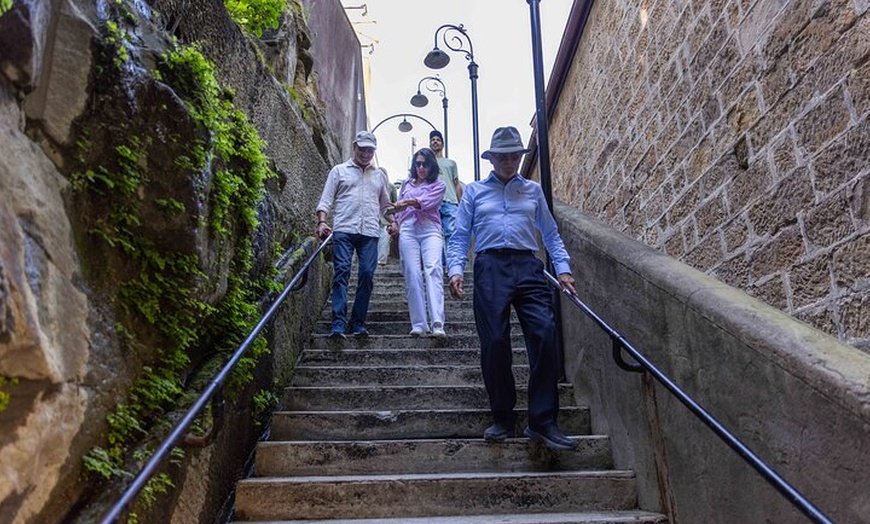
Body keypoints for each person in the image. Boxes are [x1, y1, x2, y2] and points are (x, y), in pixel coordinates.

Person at [446, 126, 578, 451]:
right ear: (491, 159)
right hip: (490, 267)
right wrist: (455, 269)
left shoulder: (532, 191)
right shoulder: (475, 192)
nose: (508, 161)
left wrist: (562, 269)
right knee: (494, 342)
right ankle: (502, 417)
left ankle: (543, 421)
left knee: (545, 334)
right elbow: (461, 234)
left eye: (514, 156)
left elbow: (550, 234)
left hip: (528, 266)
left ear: (520, 157)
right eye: (502, 156)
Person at [316, 130, 393, 339]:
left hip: (369, 232)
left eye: (370, 150)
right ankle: (338, 324)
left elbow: (385, 206)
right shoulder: (339, 171)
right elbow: (326, 199)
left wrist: (394, 222)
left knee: (367, 275)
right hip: (344, 229)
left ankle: (358, 322)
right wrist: (322, 221)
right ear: (354, 147)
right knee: (341, 272)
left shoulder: (379, 176)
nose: (366, 153)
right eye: (362, 149)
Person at [387, 148, 447, 338]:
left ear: (432, 166)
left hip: (430, 228)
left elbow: (426, 203)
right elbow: (396, 209)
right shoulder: (406, 183)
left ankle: (437, 322)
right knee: (412, 272)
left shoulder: (439, 185)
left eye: (425, 164)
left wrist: (407, 203)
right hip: (408, 228)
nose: (421, 167)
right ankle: (419, 323)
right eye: (418, 163)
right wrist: (395, 221)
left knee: (433, 269)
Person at [429, 130, 462, 267]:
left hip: (450, 201)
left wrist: (461, 204)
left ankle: (452, 265)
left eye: (437, 139)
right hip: (432, 203)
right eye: (432, 140)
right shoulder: (426, 163)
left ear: (442, 144)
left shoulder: (451, 163)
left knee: (451, 233)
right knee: (434, 235)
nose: (435, 141)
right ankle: (440, 264)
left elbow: (456, 183)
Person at [378, 168, 398, 265]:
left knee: (384, 236)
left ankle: (382, 259)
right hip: (374, 216)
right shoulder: (373, 186)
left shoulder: (391, 187)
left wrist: (394, 221)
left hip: (386, 216)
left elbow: (395, 203)